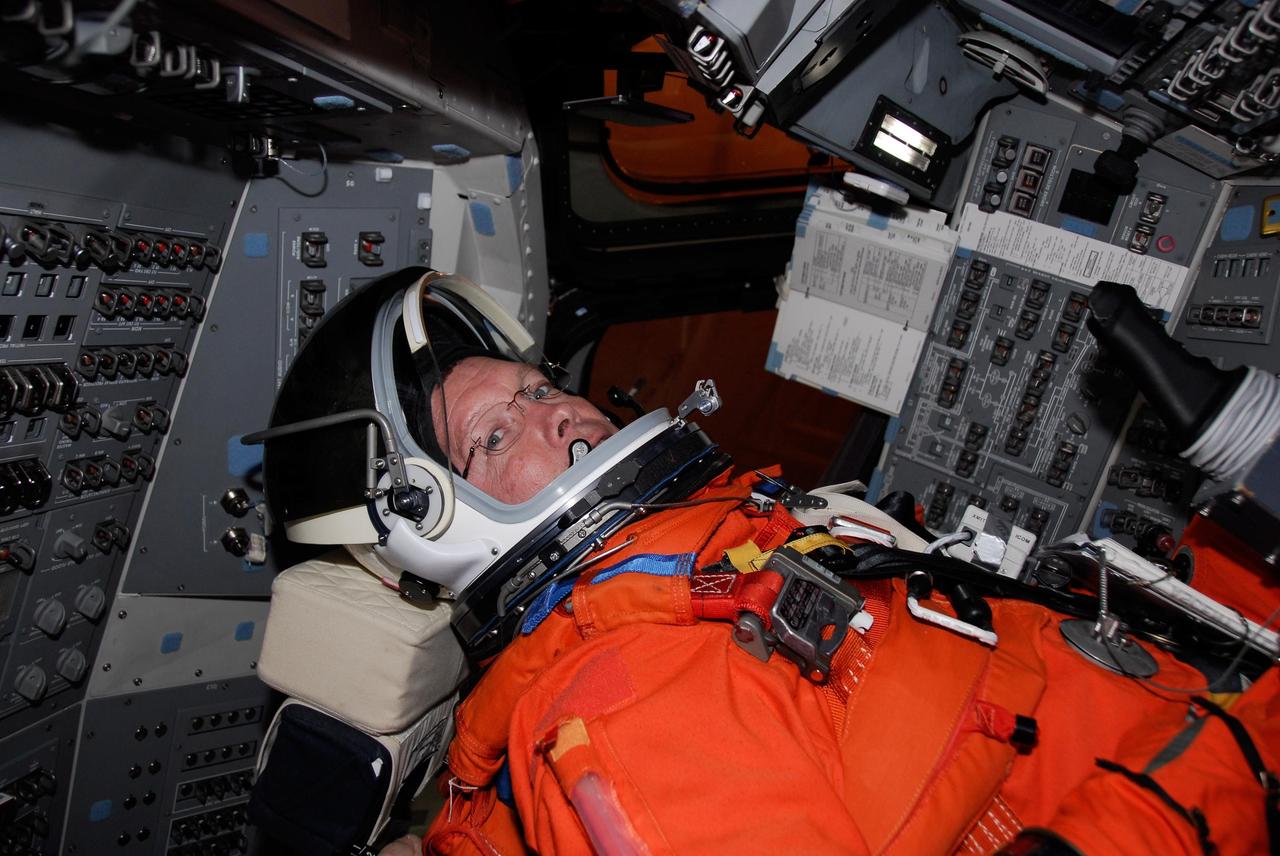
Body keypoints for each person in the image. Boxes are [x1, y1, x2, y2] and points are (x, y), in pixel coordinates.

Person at [258, 268, 1279, 856]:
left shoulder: (687, 560)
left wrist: (1237, 548)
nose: (556, 408)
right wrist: (1215, 774)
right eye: (496, 432)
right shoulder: (619, 703)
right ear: (437, 520)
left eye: (534, 386)